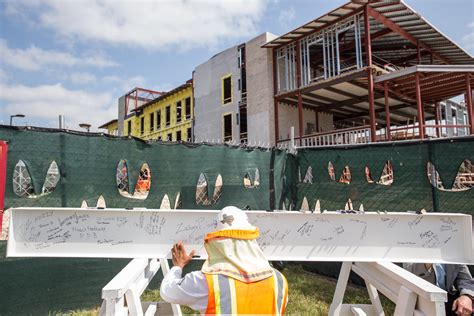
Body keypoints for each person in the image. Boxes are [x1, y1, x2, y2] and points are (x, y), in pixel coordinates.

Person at [160, 206, 288, 314]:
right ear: (251, 239)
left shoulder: (206, 282)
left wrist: (178, 267)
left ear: (218, 242)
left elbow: (167, 291)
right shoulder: (278, 280)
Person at [403, 263, 474, 315]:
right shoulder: (411, 249)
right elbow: (407, 276)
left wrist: (466, 296)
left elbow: (464, 278)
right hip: (423, 299)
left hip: (447, 298)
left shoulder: (453, 250)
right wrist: (426, 265)